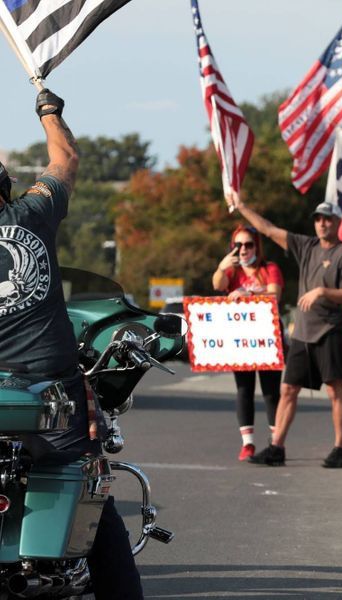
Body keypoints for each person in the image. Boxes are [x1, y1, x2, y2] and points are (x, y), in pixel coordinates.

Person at [0, 90, 142, 598]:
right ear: (7, 189)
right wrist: (48, 110)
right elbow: (66, 158)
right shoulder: (32, 216)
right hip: (48, 399)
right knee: (94, 503)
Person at [230, 195, 342, 469]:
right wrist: (242, 206)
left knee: (334, 390)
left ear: (338, 222)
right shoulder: (306, 246)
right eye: (318, 219)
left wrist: (323, 291)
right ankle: (276, 446)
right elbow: (268, 230)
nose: (322, 224)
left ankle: (339, 449)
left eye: (328, 219)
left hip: (331, 330)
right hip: (303, 331)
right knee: (288, 388)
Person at [212, 225, 284, 460]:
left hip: (267, 338)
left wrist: (250, 295)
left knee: (271, 392)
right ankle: (248, 443)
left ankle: (276, 442)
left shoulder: (269, 268)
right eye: (238, 245)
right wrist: (222, 267)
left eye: (248, 244)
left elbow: (275, 296)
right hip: (240, 339)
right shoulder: (232, 272)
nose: (243, 249)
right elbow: (217, 285)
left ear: (257, 246)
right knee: (244, 389)